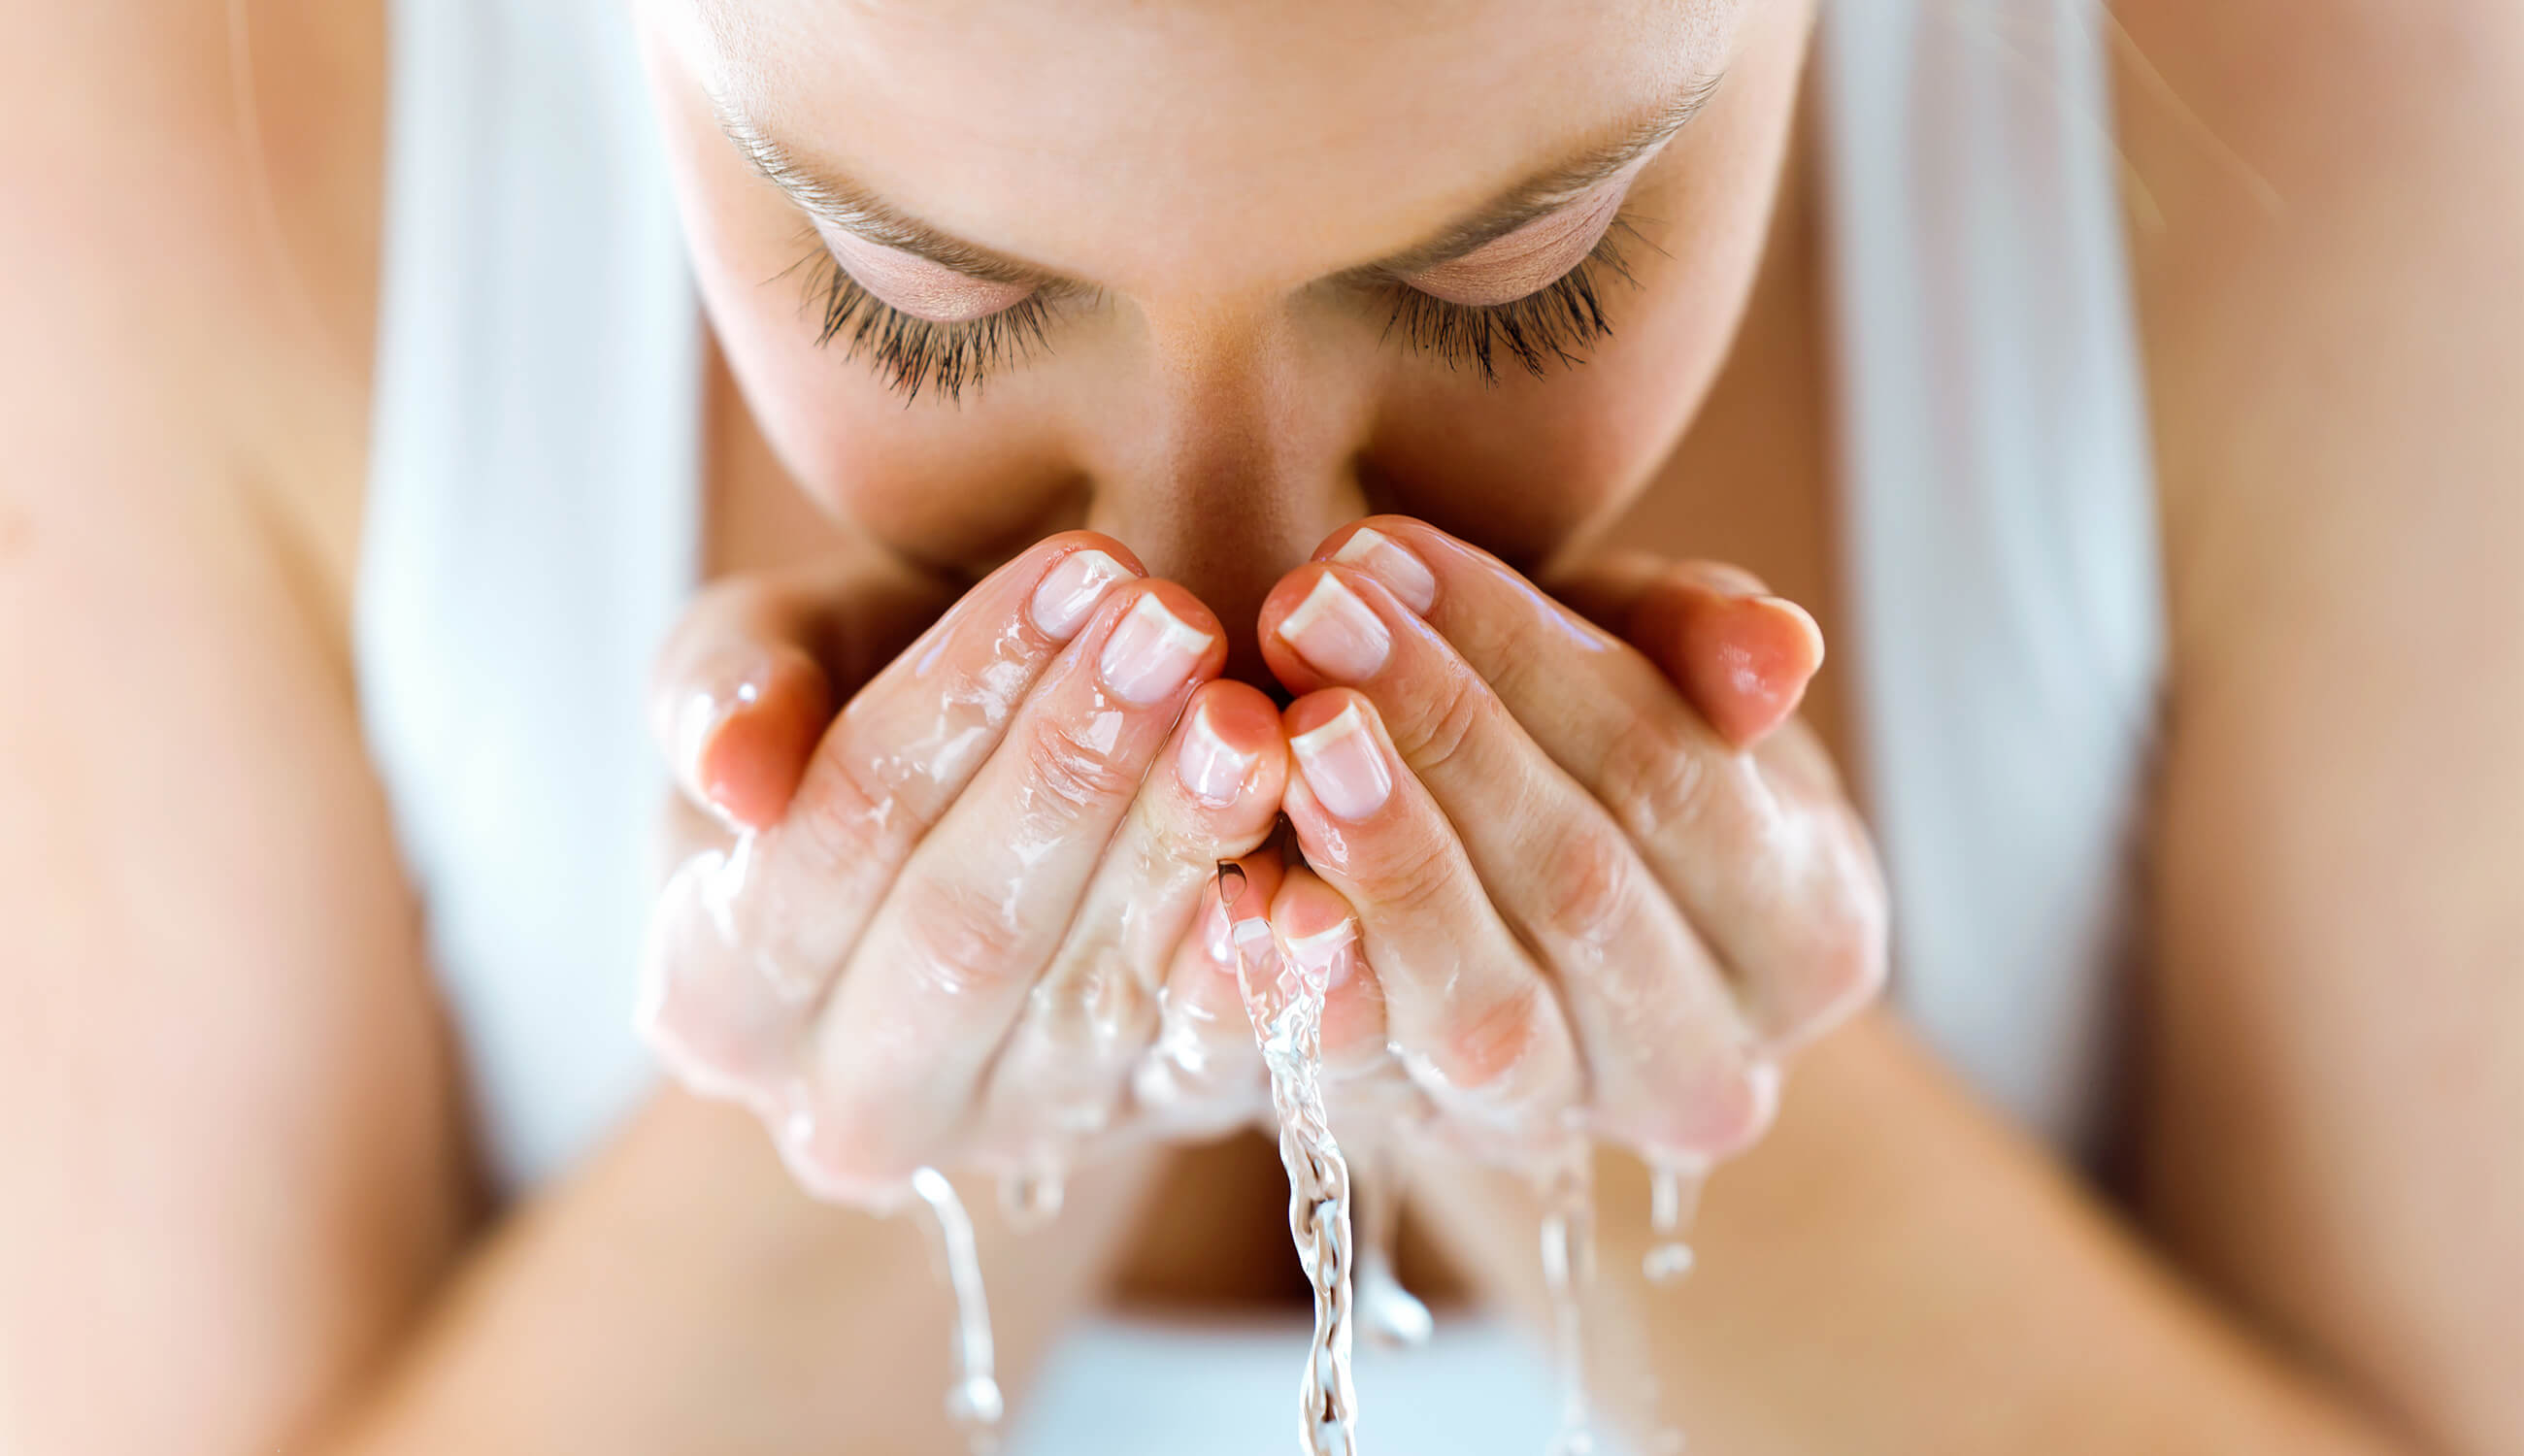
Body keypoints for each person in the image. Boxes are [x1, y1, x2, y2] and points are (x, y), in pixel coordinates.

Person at [1, 0, 2514, 1451]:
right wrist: (889, 1132)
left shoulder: (2347, 105)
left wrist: (1637, 1089)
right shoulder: (180, 139)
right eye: (919, 301)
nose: (1229, 604)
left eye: (1521, 280)